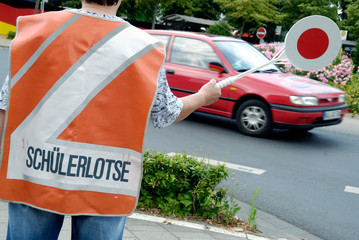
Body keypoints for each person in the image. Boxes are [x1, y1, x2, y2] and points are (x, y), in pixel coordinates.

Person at [0, 0, 221, 239]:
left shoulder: (38, 30)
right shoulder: (143, 48)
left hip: (34, 169)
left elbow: (5, 104)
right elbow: (166, 113)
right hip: (106, 181)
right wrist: (202, 97)